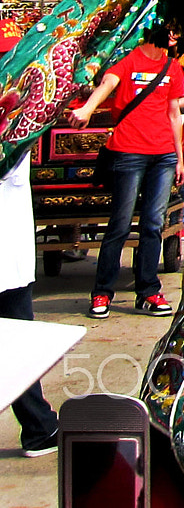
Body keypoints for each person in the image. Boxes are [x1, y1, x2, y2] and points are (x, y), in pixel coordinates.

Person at [68, 21, 184, 318]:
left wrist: (179, 158)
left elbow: (174, 114)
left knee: (152, 224)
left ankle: (148, 291)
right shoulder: (127, 58)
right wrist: (86, 109)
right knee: (120, 224)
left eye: (178, 30)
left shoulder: (173, 67)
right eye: (169, 29)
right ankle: (102, 292)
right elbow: (106, 84)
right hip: (128, 151)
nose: (174, 35)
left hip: (162, 154)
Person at [0, 150, 59, 456]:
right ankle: (39, 427)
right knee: (17, 344)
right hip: (6, 257)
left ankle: (40, 425)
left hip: (9, 257)